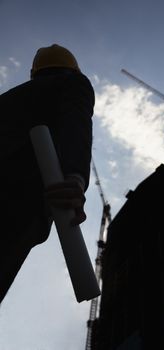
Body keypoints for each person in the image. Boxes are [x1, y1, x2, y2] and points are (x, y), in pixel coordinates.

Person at [0, 44, 95, 303]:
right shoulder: (74, 84)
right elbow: (76, 124)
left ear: (34, 72)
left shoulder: (8, 100)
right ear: (72, 68)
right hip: (17, 200)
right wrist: (75, 178)